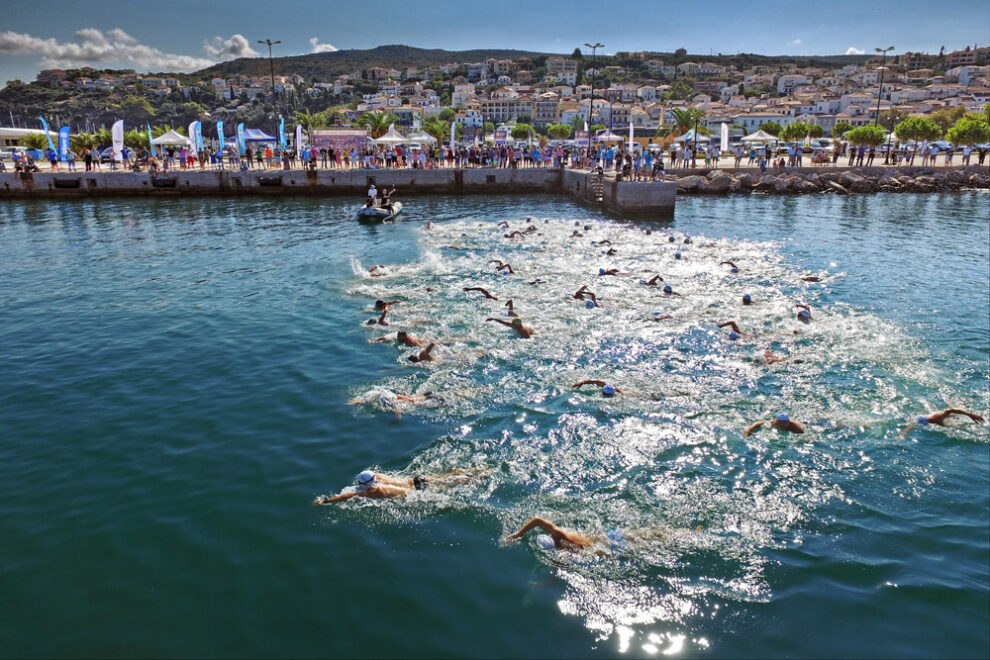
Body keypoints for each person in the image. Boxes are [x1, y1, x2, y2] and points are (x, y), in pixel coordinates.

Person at [313, 468, 489, 504]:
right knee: (444, 477)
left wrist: (326, 500)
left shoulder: (375, 490)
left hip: (416, 490)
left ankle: (475, 477)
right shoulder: (378, 475)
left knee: (450, 485)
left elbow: (345, 497)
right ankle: (477, 470)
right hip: (415, 479)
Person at [506, 516, 627, 554]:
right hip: (605, 538)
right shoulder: (556, 535)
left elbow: (538, 520)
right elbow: (538, 521)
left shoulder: (560, 536)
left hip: (608, 545)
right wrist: (518, 534)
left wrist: (518, 534)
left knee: (638, 541)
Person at [900, 409, 985, 438]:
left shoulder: (937, 417)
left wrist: (971, 415)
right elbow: (911, 425)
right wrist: (903, 434)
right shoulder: (930, 422)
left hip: (950, 416)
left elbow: (950, 410)